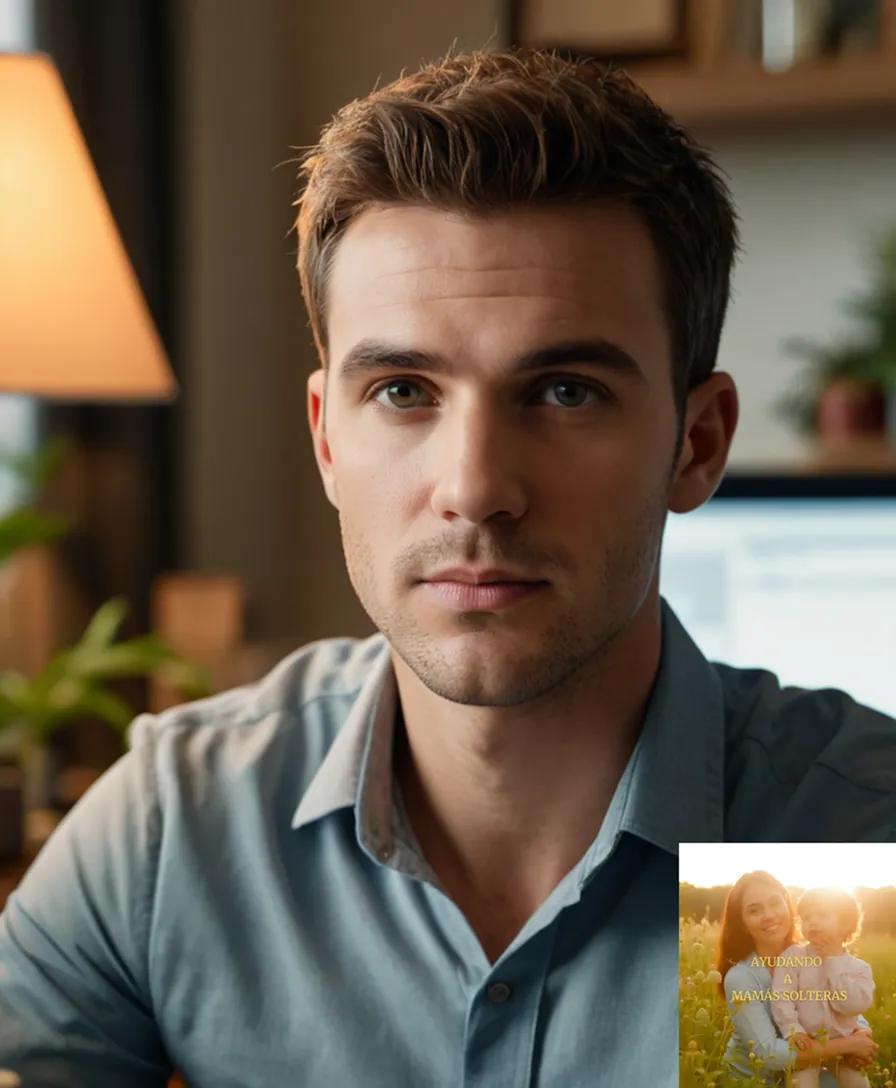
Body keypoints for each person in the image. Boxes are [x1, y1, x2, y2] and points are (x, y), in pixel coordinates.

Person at [0, 45, 895, 1087]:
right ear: (327, 437)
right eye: (402, 391)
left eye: (563, 391)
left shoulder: (850, 839)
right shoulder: (176, 832)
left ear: (695, 444)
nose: (474, 487)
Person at [718, 872, 879, 1086]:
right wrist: (849, 1045)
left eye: (775, 903)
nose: (769, 915)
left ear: (788, 905)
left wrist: (861, 1033)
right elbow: (769, 1054)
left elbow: (836, 1001)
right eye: (754, 910)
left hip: (809, 1064)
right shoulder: (740, 978)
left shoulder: (815, 953)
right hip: (756, 1080)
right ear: (743, 923)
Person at [770, 886, 875, 1088]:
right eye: (807, 917)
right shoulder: (793, 957)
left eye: (822, 915)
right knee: (800, 1084)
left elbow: (853, 1006)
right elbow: (782, 997)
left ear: (845, 923)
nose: (813, 921)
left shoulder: (859, 968)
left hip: (844, 1049)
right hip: (807, 1044)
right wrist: (793, 1030)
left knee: (858, 1084)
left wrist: (833, 962)